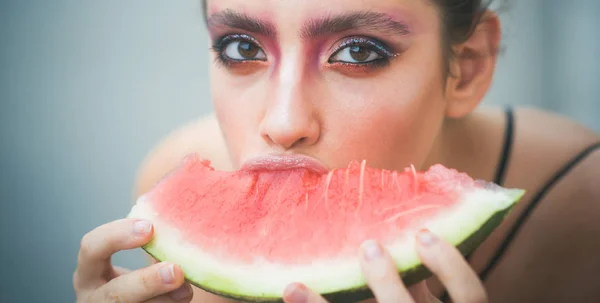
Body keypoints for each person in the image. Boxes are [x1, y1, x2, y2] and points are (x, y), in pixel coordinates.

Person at [73, 0, 600, 302]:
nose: (282, 125)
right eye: (241, 48)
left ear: (466, 66)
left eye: (358, 52)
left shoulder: (582, 208)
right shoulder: (165, 180)